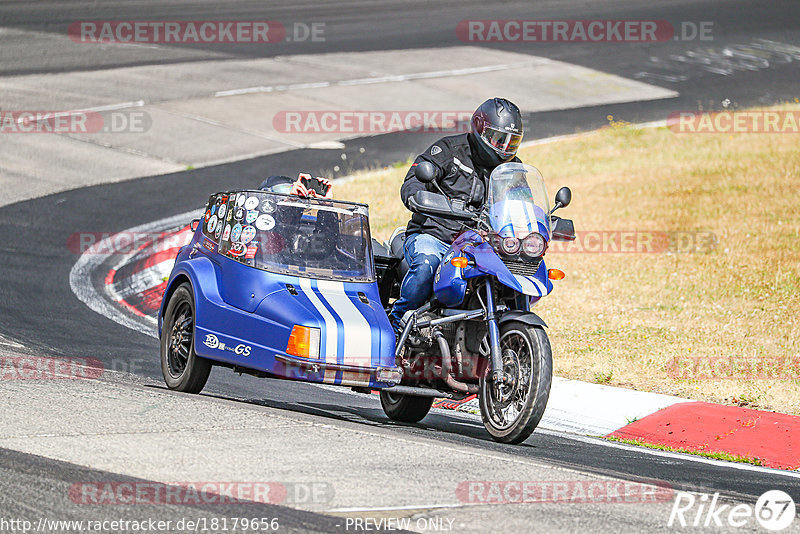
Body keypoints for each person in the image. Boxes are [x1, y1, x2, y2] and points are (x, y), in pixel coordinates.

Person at [388, 97, 525, 333]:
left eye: (511, 143)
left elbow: (524, 203)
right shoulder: (448, 150)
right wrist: (419, 198)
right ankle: (397, 323)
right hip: (436, 237)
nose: (503, 148)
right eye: (499, 139)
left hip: (482, 245)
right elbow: (412, 183)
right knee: (426, 265)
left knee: (518, 271)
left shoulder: (511, 170)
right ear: (480, 129)